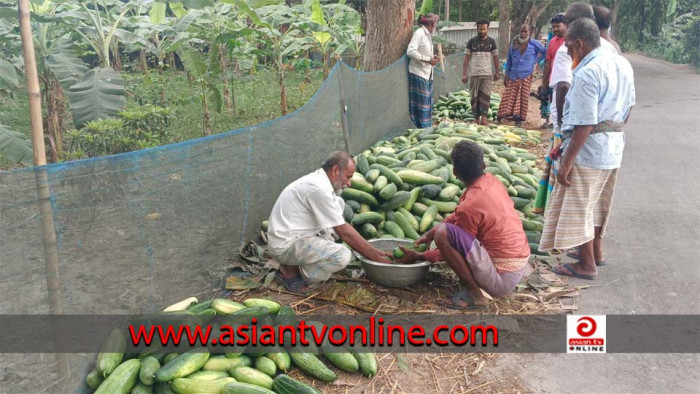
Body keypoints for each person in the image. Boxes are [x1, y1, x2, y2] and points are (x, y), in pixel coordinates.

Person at [538, 18, 635, 280]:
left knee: (580, 206)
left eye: (569, 48)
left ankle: (587, 265)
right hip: (613, 146)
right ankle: (597, 253)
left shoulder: (587, 72)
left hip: (589, 150)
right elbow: (628, 109)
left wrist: (567, 163)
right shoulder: (620, 62)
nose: (568, 52)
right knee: (596, 204)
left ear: (579, 44)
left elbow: (585, 123)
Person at [396, 141, 531, 309]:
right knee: (443, 231)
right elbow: (459, 216)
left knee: (443, 235)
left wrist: (421, 256)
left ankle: (477, 295)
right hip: (517, 265)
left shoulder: (470, 206)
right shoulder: (492, 182)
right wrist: (431, 232)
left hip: (501, 279)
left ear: (454, 172)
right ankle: (476, 289)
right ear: (483, 165)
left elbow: (456, 247)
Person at [268, 151, 392, 293]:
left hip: (299, 235)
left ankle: (298, 264)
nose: (349, 183)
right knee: (342, 256)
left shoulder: (322, 182)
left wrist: (373, 251)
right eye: (348, 177)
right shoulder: (317, 188)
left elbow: (340, 224)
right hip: (285, 245)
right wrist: (374, 255)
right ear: (335, 170)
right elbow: (344, 232)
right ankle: (292, 270)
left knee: (338, 203)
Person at [533, 14, 569, 214]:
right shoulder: (553, 43)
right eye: (553, 27)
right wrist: (544, 83)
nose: (556, 30)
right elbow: (547, 63)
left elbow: (565, 84)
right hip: (555, 88)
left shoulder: (569, 45)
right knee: (554, 123)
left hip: (562, 91)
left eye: (558, 26)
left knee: (558, 131)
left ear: (567, 25)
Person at [497, 24, 546, 126]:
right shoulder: (515, 43)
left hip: (526, 75)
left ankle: (518, 119)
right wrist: (507, 74)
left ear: (529, 33)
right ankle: (501, 117)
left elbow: (544, 52)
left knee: (522, 97)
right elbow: (509, 59)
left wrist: (535, 60)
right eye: (521, 32)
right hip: (513, 75)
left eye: (525, 32)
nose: (523, 34)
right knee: (508, 97)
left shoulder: (534, 44)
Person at [462, 19, 500, 126]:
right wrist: (464, 74)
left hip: (487, 74)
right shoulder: (471, 42)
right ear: (477, 28)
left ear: (487, 29)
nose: (482, 31)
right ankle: (476, 118)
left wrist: (497, 72)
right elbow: (466, 59)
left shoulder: (491, 42)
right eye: (480, 29)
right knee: (474, 97)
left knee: (485, 96)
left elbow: (496, 58)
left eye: (484, 29)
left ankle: (484, 118)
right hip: (474, 73)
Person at [407, 13, 440, 129]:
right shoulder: (419, 33)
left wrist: (433, 58)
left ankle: (426, 127)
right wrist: (428, 59)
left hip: (427, 74)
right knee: (420, 105)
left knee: (426, 104)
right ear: (431, 24)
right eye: (435, 23)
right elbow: (410, 51)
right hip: (418, 73)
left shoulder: (428, 35)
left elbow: (425, 52)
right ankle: (420, 129)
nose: (435, 26)